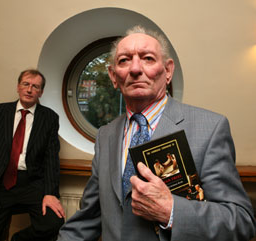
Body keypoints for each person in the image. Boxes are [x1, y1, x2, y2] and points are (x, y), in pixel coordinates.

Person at [57, 26, 256, 241]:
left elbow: (241, 222)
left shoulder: (210, 128)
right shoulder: (106, 135)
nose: (135, 68)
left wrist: (171, 212)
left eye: (148, 58)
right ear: (114, 77)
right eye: (124, 60)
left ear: (168, 71)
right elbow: (88, 219)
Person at [0, 69, 65, 241]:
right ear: (18, 87)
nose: (30, 90)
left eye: (35, 87)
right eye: (26, 84)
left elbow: (51, 158)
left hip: (31, 184)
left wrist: (50, 193)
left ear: (41, 92)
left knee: (54, 222)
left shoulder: (50, 118)